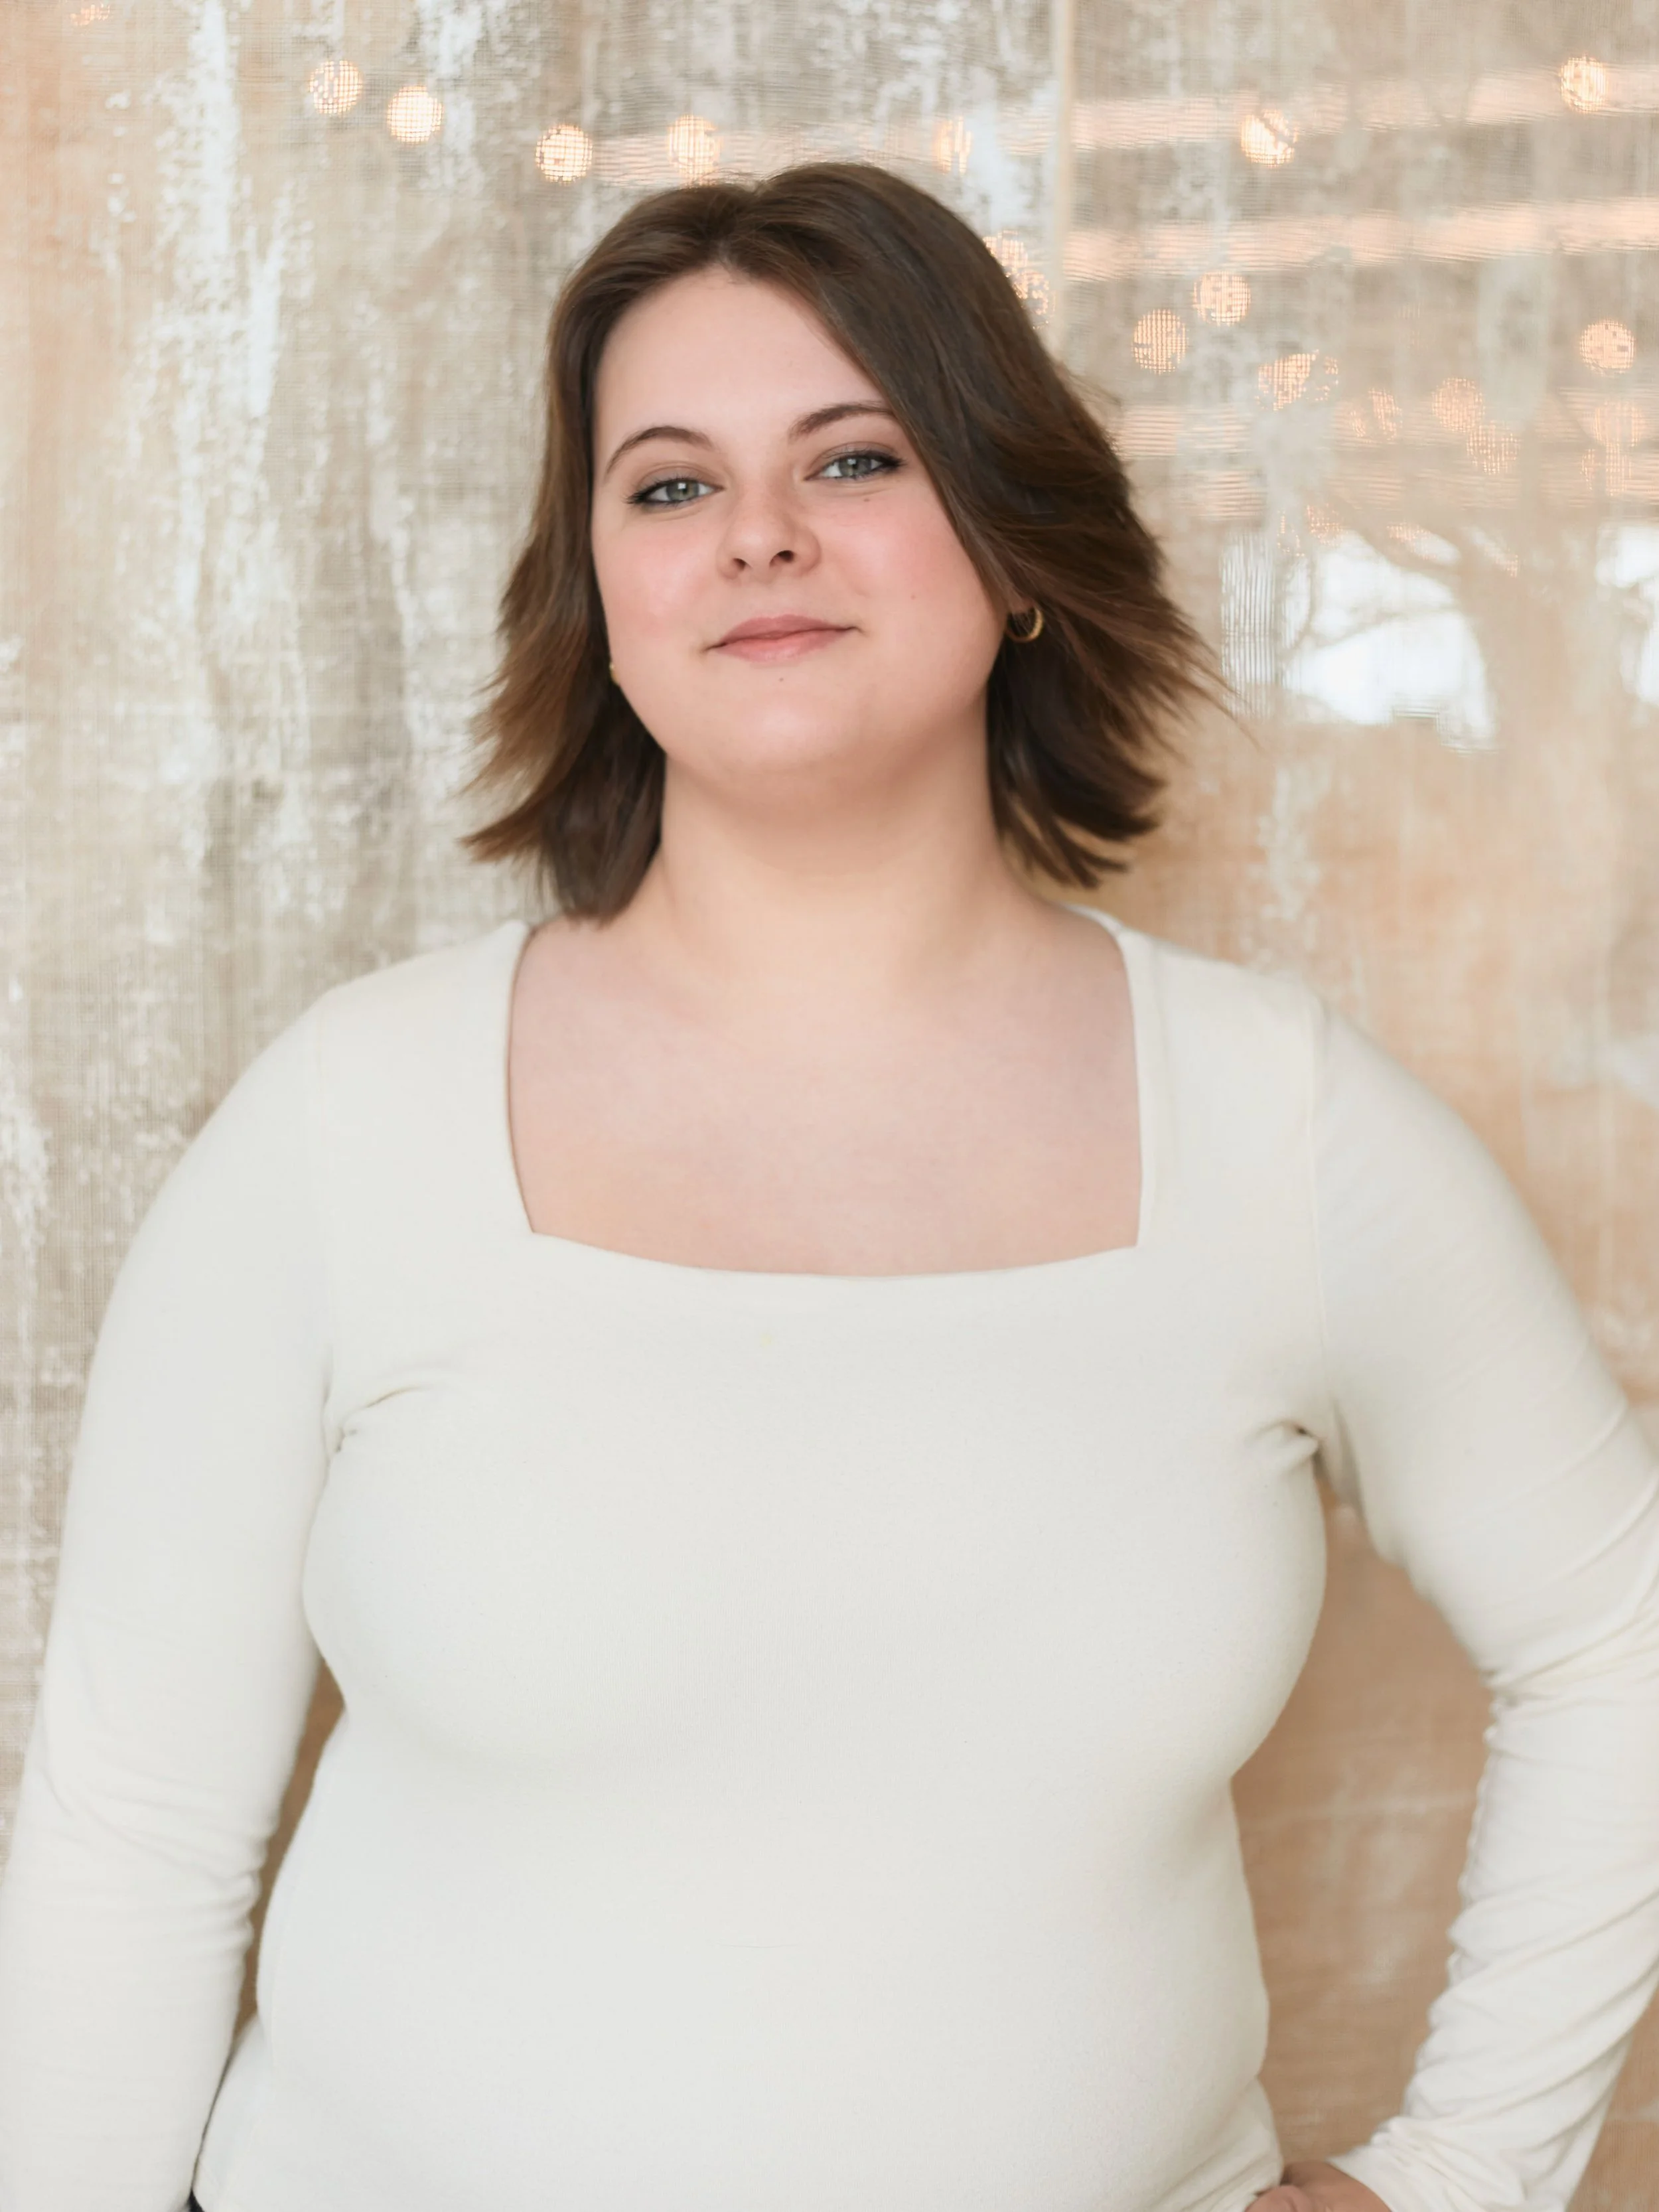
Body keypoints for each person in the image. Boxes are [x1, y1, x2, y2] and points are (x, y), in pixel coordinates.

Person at [0, 160, 1656, 2212]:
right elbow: (134, 1824)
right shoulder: (348, 1122)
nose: (757, 533)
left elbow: (1618, 1638)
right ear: (600, 596)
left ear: (1016, 546)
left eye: (853, 456)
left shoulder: (1279, 1128)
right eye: (668, 484)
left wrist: (1466, 2171)